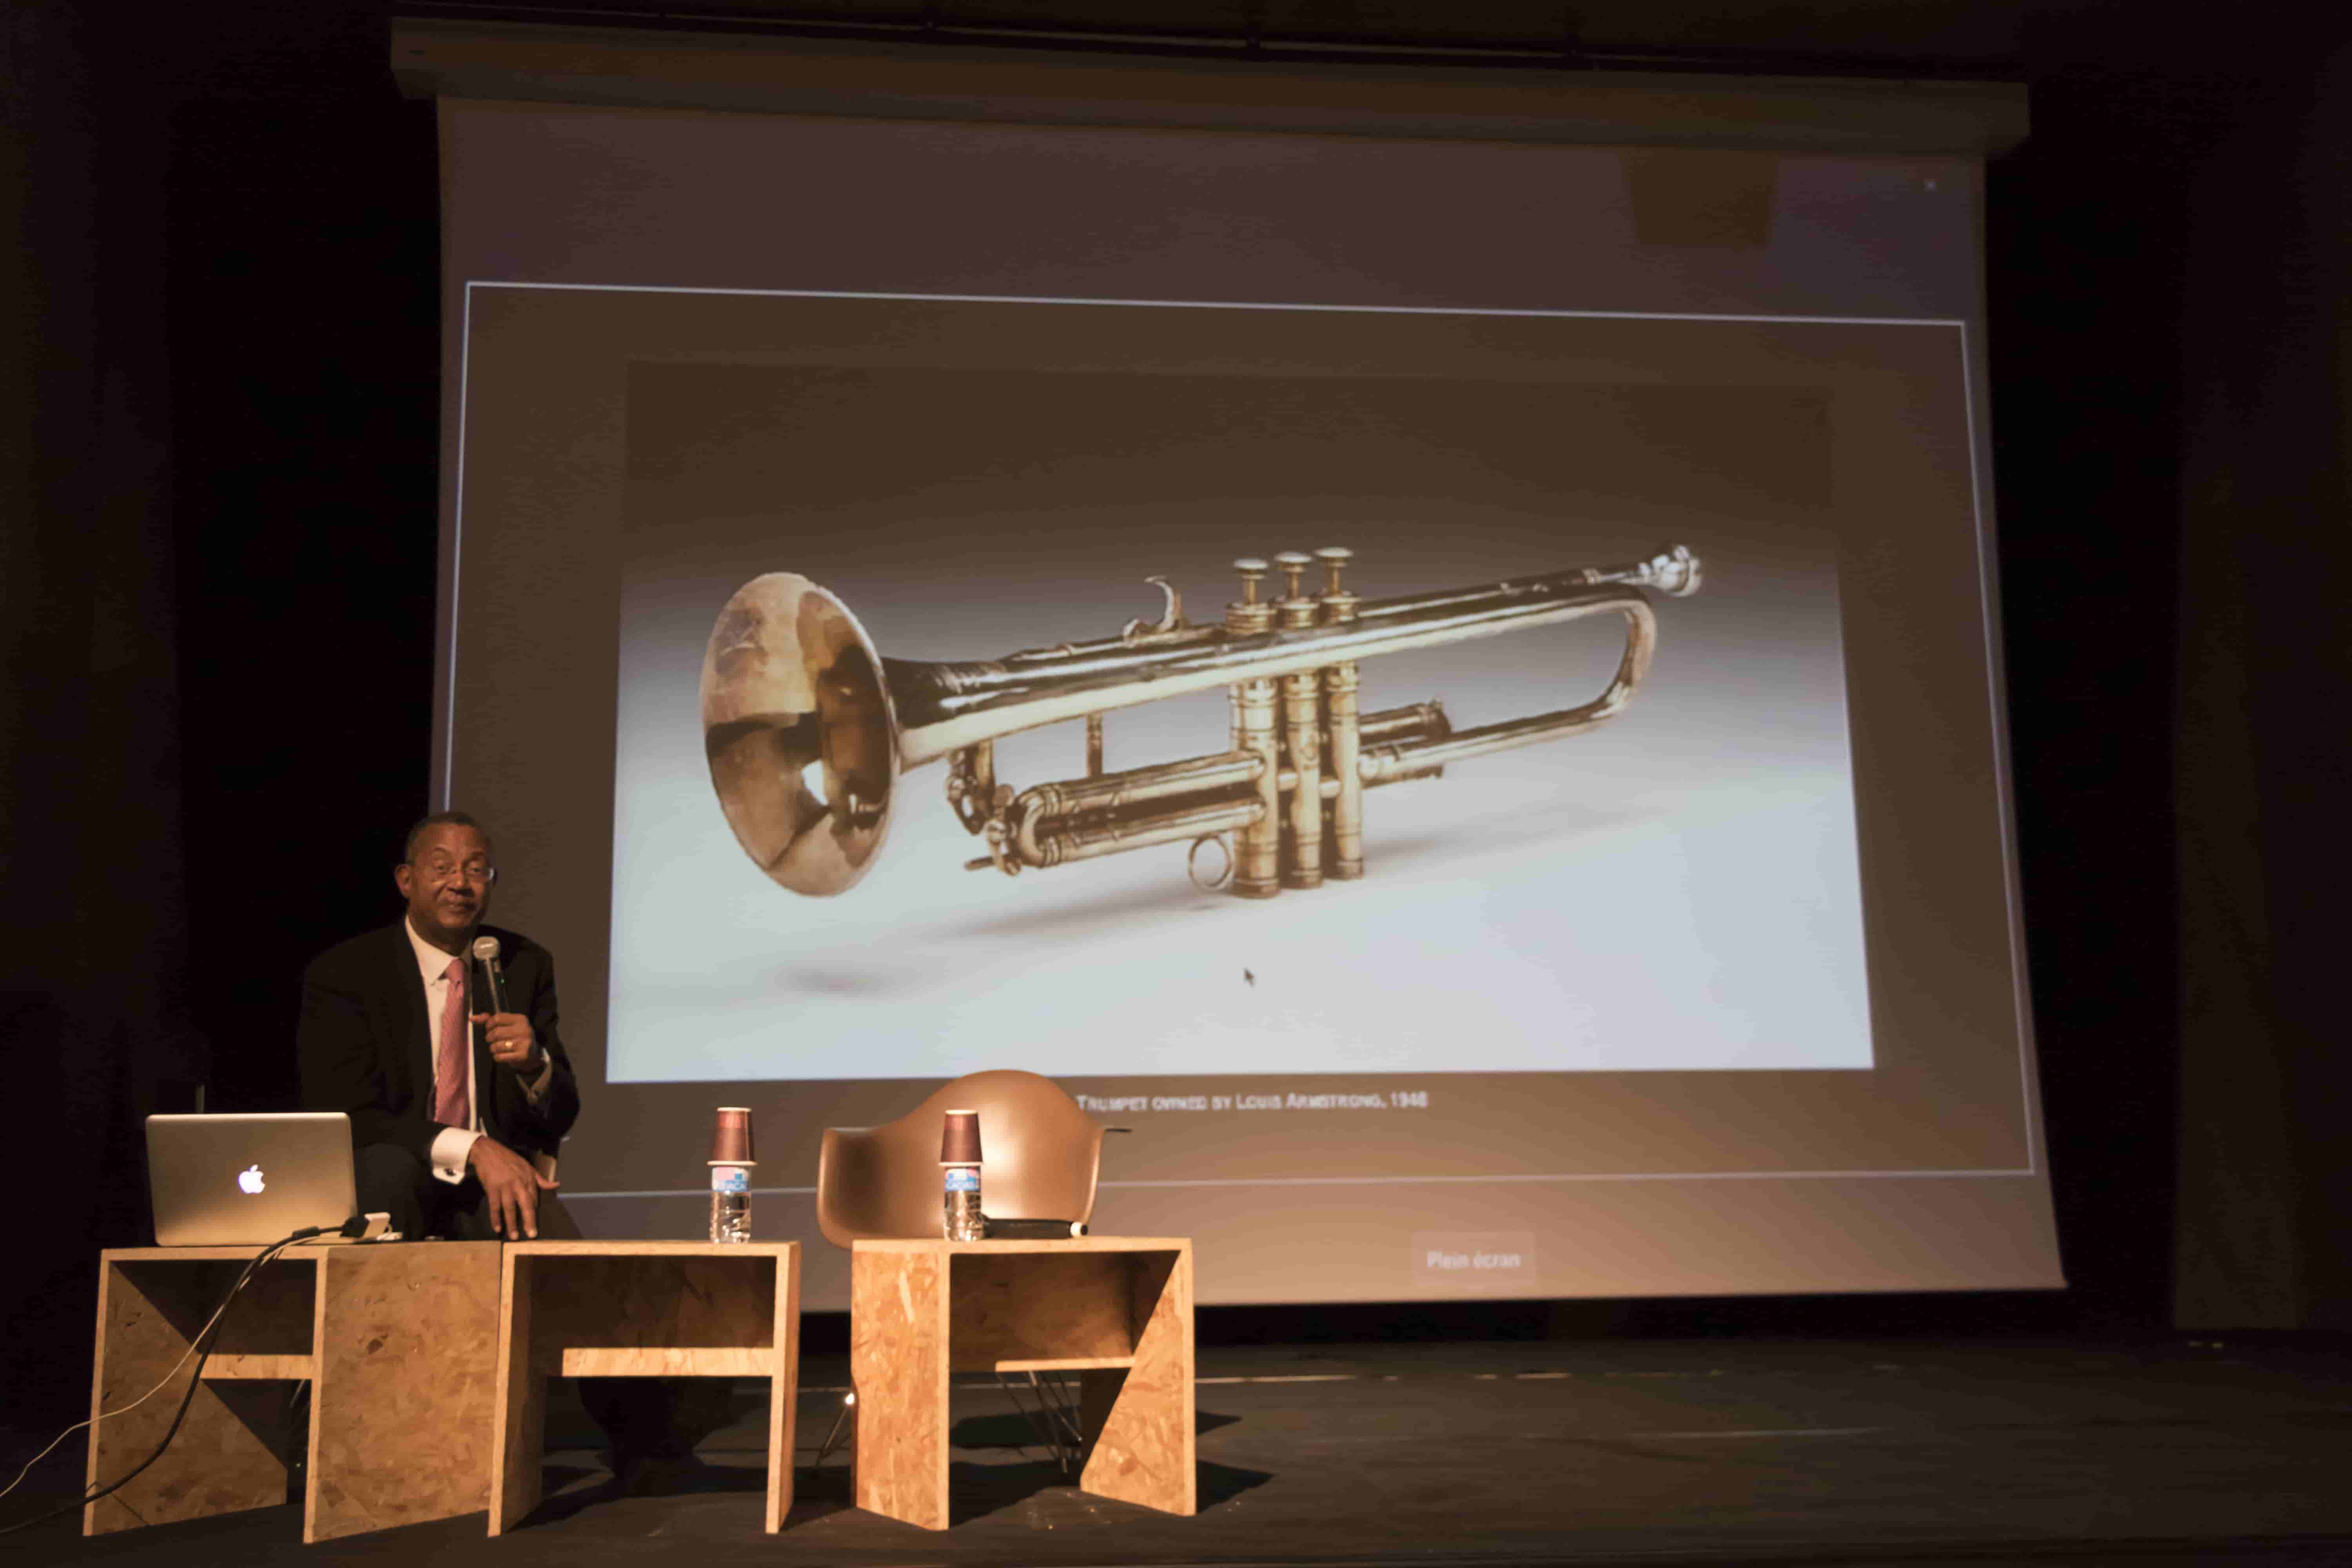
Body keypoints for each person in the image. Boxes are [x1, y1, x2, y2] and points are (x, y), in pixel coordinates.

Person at [296, 810, 577, 1241]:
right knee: (388, 1173)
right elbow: (347, 1114)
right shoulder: (347, 972)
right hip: (395, 1170)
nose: (461, 884)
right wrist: (474, 1147)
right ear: (406, 880)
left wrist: (533, 1065)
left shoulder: (523, 965)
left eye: (476, 869)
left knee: (564, 1255)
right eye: (443, 868)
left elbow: (561, 1115)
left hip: (490, 1186)